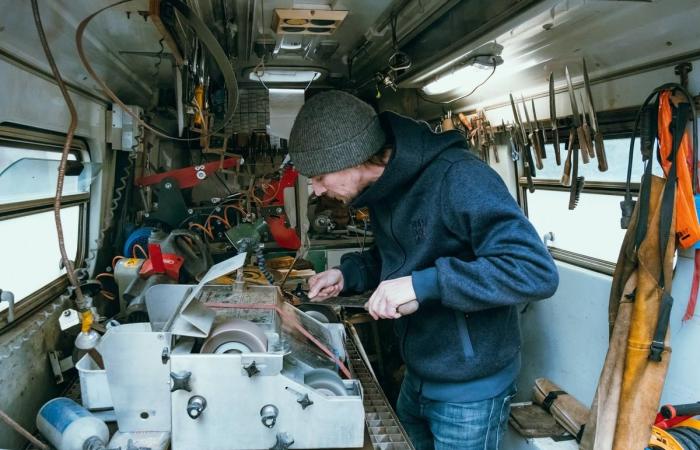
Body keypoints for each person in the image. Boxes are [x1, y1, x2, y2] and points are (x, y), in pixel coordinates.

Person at [288, 90, 559, 450]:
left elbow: (534, 269)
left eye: (320, 176)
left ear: (352, 159)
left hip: (468, 390)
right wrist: (347, 275)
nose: (316, 189)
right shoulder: (385, 188)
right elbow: (397, 256)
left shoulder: (458, 178)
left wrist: (423, 285)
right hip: (418, 375)